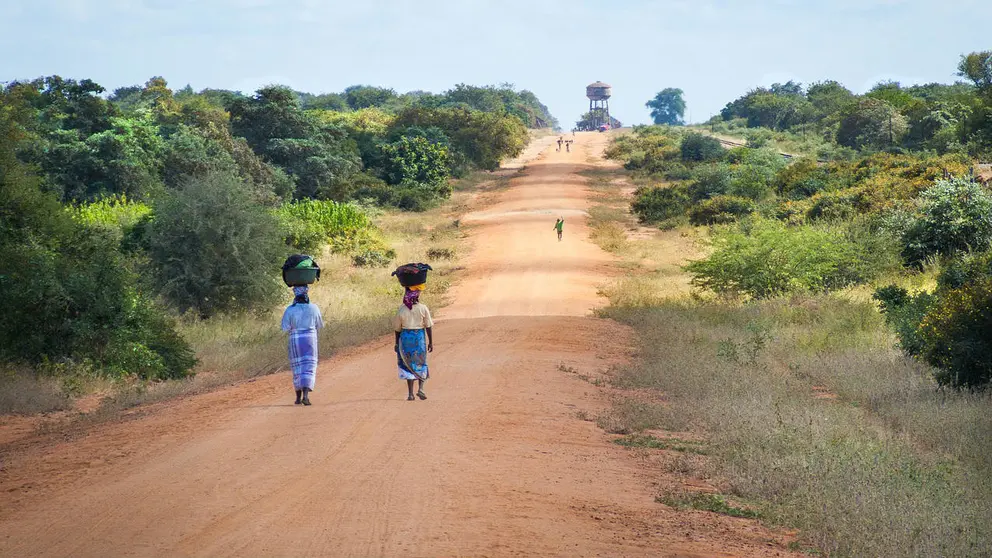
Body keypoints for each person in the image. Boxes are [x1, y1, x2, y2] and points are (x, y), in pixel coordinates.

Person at [281, 285, 324, 406]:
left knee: (297, 367)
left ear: (295, 294)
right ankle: (306, 395)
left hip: (295, 339)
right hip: (310, 339)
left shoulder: (290, 309)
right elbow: (318, 324)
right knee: (309, 366)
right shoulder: (314, 308)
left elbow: (285, 327)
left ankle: (297, 398)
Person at [394, 285, 434, 401]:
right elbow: (428, 326)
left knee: (407, 364)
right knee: (421, 362)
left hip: (405, 338)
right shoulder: (423, 308)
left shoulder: (402, 309)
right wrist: (430, 342)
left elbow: (397, 329)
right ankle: (421, 389)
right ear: (417, 297)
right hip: (419, 338)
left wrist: (396, 343)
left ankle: (410, 394)